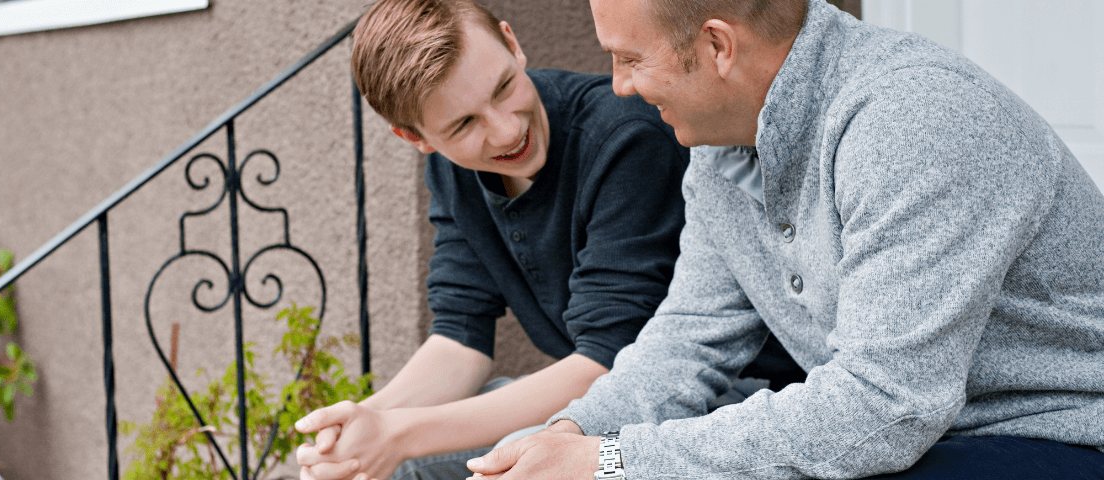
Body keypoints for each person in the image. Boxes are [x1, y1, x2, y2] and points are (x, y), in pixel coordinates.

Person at [464, 0, 1104, 478]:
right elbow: (688, 338)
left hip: (1059, 433)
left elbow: (884, 408)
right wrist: (569, 434)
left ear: (717, 46)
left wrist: (608, 460)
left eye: (629, 57)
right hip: (928, 437)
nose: (620, 84)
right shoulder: (720, 151)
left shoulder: (912, 120)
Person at [290, 1, 742, 480]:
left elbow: (606, 362)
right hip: (601, 397)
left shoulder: (624, 136)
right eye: (463, 125)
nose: (506, 130)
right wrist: (365, 427)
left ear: (512, 43)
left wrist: (399, 433)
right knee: (410, 463)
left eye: (504, 87)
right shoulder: (451, 170)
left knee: (502, 460)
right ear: (414, 137)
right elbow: (460, 337)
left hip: (711, 394)